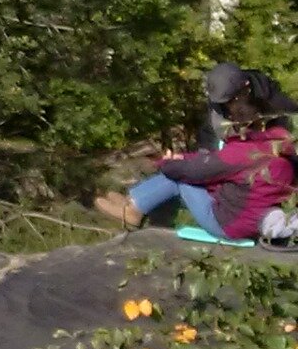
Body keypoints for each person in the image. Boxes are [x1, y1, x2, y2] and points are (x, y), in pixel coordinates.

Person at [98, 88, 294, 238]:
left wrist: (166, 162)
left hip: (229, 224)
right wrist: (182, 158)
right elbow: (213, 164)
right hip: (252, 216)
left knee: (179, 178)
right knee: (184, 169)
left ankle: (134, 210)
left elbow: (195, 171)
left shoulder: (245, 152)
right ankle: (134, 201)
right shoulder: (283, 150)